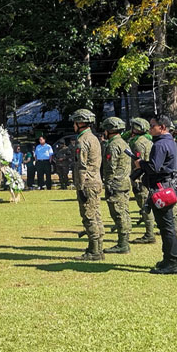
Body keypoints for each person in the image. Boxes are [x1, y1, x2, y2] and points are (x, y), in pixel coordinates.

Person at [138, 115, 177, 274]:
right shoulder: (174, 144)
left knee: (166, 226)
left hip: (162, 189)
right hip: (171, 187)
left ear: (162, 127)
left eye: (152, 126)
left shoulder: (160, 145)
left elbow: (154, 168)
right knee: (166, 226)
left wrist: (141, 164)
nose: (150, 129)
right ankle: (168, 259)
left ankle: (171, 262)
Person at [70, 109, 104, 261]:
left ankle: (95, 251)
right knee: (96, 215)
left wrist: (81, 186)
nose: (73, 125)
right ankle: (97, 247)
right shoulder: (94, 138)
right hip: (96, 180)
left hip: (87, 183)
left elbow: (81, 165)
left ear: (80, 123)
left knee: (89, 217)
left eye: (75, 122)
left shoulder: (82, 141)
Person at [100, 117, 132, 253]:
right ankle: (124, 241)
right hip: (124, 182)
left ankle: (123, 244)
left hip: (116, 185)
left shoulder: (113, 145)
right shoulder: (124, 143)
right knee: (124, 211)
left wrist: (108, 183)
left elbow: (110, 167)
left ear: (110, 130)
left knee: (118, 213)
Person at [127, 118, 156, 244]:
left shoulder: (138, 143)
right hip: (147, 176)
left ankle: (149, 234)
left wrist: (136, 179)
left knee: (144, 205)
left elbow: (138, 163)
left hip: (141, 178)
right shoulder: (148, 140)